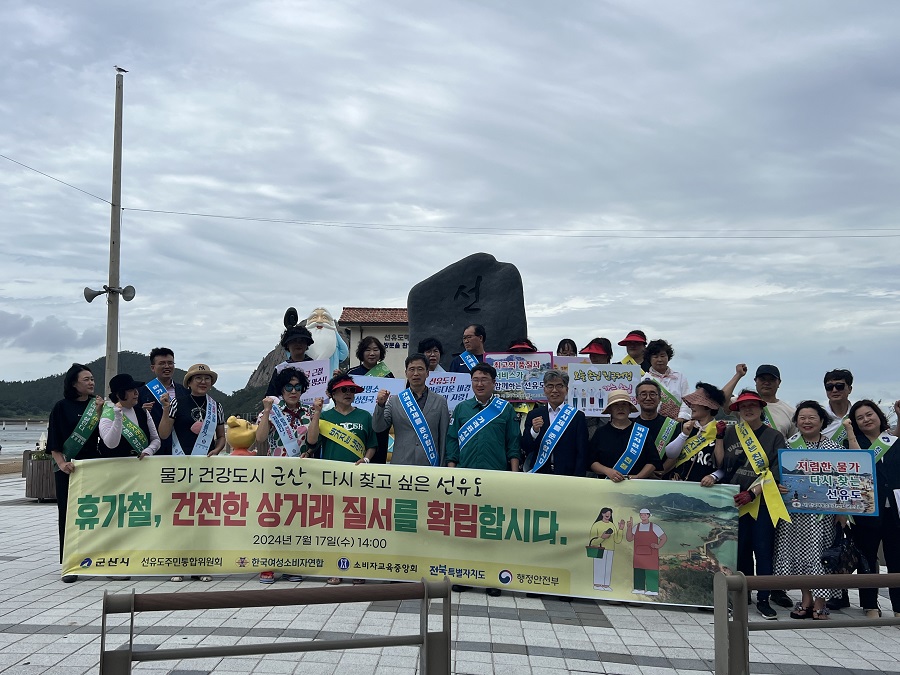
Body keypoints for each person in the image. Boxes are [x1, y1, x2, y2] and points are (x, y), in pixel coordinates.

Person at [445, 362, 520, 597]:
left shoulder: (505, 409)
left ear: (493, 383)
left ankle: (492, 579)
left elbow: (513, 443)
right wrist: (451, 469)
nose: (479, 383)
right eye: (475, 379)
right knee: (466, 528)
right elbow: (452, 440)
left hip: (495, 476)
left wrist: (514, 473)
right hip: (466, 477)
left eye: (484, 379)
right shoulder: (461, 409)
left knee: (492, 530)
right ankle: (464, 576)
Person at [714, 390, 788, 620]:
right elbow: (720, 464)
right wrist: (718, 437)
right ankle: (742, 594)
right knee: (741, 549)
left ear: (761, 408)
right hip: (734, 498)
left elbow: (776, 470)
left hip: (761, 500)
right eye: (743, 407)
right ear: (737, 411)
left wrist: (753, 493)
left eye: (753, 406)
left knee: (763, 549)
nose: (748, 410)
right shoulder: (731, 433)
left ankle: (764, 598)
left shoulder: (774, 436)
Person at [776, 401, 844, 620]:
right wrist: (780, 486)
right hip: (795, 514)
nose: (806, 422)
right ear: (796, 422)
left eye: (812, 417)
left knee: (820, 556)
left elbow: (844, 482)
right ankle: (806, 598)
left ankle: (820, 601)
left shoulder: (834, 449)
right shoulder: (789, 445)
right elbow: (781, 474)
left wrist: (843, 511)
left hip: (822, 516)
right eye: (802, 418)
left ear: (822, 421)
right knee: (799, 555)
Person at [307, 373, 377, 585]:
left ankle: (357, 567)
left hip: (357, 479)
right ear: (332, 394)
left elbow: (372, 444)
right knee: (334, 525)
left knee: (356, 524)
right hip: (332, 480)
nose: (348, 393)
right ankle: (334, 568)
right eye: (344, 390)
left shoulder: (365, 416)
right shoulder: (326, 417)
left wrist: (366, 459)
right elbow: (311, 441)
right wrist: (317, 414)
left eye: (351, 390)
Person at [255, 367, 314, 584]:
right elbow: (260, 438)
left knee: (296, 519)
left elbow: (314, 441)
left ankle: (292, 564)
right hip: (276, 475)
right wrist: (268, 412)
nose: (293, 390)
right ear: (281, 389)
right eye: (288, 386)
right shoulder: (271, 410)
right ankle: (268, 566)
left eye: (297, 387)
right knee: (272, 520)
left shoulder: (309, 412)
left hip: (301, 475)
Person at [46, 364, 103, 582]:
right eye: (86, 379)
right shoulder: (61, 407)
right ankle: (70, 564)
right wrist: (61, 463)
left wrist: (100, 413)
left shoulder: (97, 405)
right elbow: (54, 440)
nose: (91, 382)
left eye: (92, 379)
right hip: (68, 469)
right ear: (74, 383)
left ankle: (99, 560)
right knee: (69, 516)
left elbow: (108, 437)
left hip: (94, 467)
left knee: (98, 515)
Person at [844, 400, 900, 619]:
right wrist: (849, 430)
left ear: (878, 415)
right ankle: (869, 605)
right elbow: (859, 462)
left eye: (869, 414)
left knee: (896, 558)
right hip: (866, 508)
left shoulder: (893, 440)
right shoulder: (854, 441)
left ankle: (898, 607)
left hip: (894, 508)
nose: (866, 420)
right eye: (860, 417)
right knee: (866, 557)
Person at [373, 354, 450, 467]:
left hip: (430, 465)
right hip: (401, 464)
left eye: (420, 369)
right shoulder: (395, 401)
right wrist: (380, 405)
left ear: (427, 373)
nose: (416, 373)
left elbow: (443, 437)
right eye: (412, 369)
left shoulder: (440, 401)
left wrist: (443, 466)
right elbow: (378, 427)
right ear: (406, 373)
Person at [520, 369, 588, 476]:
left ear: (566, 389)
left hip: (567, 475)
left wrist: (578, 477)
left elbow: (582, 451)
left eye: (559, 386)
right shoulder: (534, 414)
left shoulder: (577, 416)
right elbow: (526, 447)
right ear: (544, 389)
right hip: (540, 472)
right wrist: (534, 431)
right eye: (550, 386)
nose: (554, 390)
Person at [588, 390, 659, 481]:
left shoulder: (642, 431)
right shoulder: (601, 433)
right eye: (616, 405)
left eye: (624, 404)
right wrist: (608, 471)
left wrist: (637, 477)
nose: (620, 408)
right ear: (610, 409)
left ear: (630, 408)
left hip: (638, 485)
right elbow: (592, 461)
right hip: (607, 485)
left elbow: (653, 462)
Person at [663, 383, 727, 483]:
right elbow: (671, 454)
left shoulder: (721, 430)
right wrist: (683, 435)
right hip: (677, 484)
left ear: (709, 406)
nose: (692, 405)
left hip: (705, 488)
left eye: (696, 401)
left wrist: (714, 476)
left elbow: (725, 464)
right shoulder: (683, 426)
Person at [158, 364, 226, 459]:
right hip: (180, 459)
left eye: (207, 378)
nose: (203, 382)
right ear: (189, 383)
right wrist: (166, 409)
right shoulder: (176, 403)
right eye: (198, 378)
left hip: (207, 460)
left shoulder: (216, 406)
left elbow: (221, 436)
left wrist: (217, 450)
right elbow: (164, 434)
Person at [347, 337, 393, 463]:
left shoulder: (387, 375)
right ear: (361, 352)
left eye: (375, 350)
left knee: (378, 462)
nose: (372, 353)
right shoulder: (352, 373)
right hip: (358, 423)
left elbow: (392, 399)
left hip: (380, 425)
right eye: (367, 350)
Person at [139, 347, 189, 455]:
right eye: (162, 363)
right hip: (153, 449)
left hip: (180, 448)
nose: (167, 366)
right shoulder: (141, 392)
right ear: (153, 368)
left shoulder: (185, 392)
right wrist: (142, 411)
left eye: (170, 363)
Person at [722, 364, 796, 438]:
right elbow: (721, 399)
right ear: (755, 381)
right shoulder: (743, 402)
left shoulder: (791, 412)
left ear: (779, 382)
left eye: (771, 379)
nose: (766, 383)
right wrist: (738, 375)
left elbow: (793, 443)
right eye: (762, 379)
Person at [99, 373, 161, 459]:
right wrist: (118, 416)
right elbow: (111, 444)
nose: (136, 392)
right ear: (119, 394)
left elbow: (156, 439)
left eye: (135, 389)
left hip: (140, 467)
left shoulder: (143, 412)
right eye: (131, 390)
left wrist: (149, 451)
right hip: (114, 468)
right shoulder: (108, 414)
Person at [634, 379, 679, 465]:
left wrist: (662, 471)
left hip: (664, 476)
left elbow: (675, 455)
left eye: (652, 394)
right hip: (636, 477)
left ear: (659, 399)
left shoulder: (672, 426)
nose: (648, 398)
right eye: (643, 394)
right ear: (637, 399)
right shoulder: (631, 425)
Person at [644, 339, 690, 421]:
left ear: (668, 357)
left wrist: (682, 417)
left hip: (678, 422)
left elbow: (686, 400)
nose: (660, 360)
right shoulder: (644, 380)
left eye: (662, 356)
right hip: (653, 421)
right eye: (655, 356)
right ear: (649, 359)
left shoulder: (680, 377)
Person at [625, 509, 667, 596]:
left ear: (648, 515)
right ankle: (639, 588)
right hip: (638, 554)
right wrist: (629, 527)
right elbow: (629, 538)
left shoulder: (655, 527)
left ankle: (652, 589)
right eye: (641, 514)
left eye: (645, 514)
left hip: (651, 554)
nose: (643, 516)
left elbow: (664, 537)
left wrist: (658, 546)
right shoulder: (636, 527)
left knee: (651, 571)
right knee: (638, 571)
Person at [266, 325, 315, 396]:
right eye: (294, 341)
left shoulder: (317, 366)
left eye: (302, 341)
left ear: (307, 344)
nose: (298, 344)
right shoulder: (280, 369)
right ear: (287, 345)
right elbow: (271, 394)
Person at [588, 508, 625, 591]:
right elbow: (593, 541)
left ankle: (606, 585)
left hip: (610, 550)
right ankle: (597, 584)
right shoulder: (596, 525)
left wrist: (621, 529)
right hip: (599, 549)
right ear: (602, 514)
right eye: (606, 513)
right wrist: (602, 538)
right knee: (599, 567)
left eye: (609, 513)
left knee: (608, 568)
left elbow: (617, 540)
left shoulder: (612, 525)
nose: (608, 515)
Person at [822, 369, 854, 443]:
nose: (834, 390)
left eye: (839, 386)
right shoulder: (819, 417)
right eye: (829, 387)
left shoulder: (858, 416)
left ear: (850, 389)